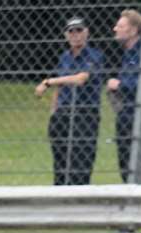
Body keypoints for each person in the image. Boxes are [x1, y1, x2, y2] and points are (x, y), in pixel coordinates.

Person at [36, 17, 105, 185]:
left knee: (81, 163)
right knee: (60, 163)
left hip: (85, 114)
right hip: (63, 113)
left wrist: (48, 82)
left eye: (79, 30)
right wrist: (54, 112)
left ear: (87, 32)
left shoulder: (95, 56)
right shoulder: (64, 57)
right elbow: (61, 86)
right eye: (71, 31)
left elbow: (80, 78)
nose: (75, 35)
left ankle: (80, 198)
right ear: (66, 35)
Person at [106, 9, 141, 182]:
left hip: (139, 116)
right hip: (125, 115)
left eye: (120, 26)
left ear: (133, 30)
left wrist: (119, 85)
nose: (115, 28)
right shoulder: (127, 54)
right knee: (125, 168)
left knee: (134, 168)